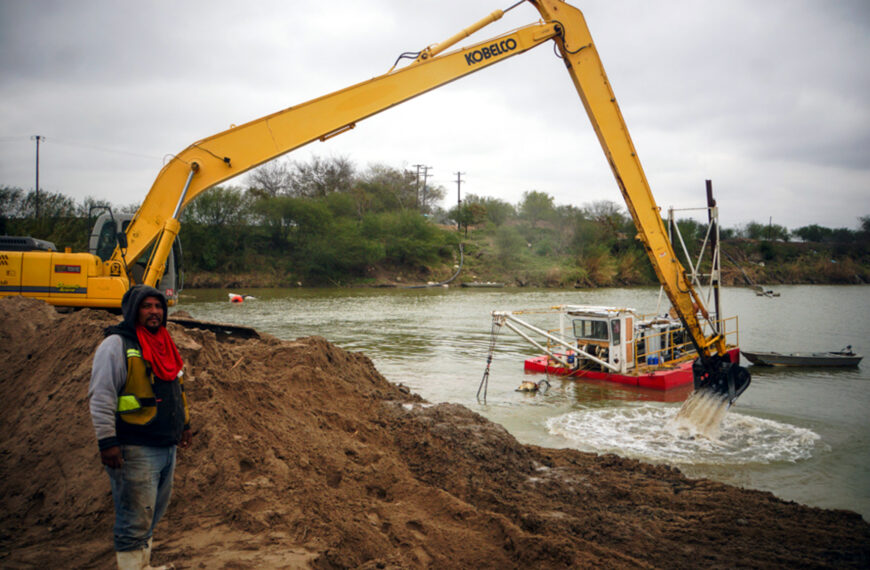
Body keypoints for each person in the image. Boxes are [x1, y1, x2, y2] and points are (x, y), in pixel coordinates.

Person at [88, 285, 192, 570]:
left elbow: (177, 388)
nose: (154, 312)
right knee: (134, 518)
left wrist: (185, 425)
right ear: (134, 311)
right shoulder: (117, 345)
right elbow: (102, 396)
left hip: (165, 444)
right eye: (147, 306)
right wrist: (107, 442)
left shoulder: (165, 344)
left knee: (151, 514)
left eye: (158, 307)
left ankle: (142, 566)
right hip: (135, 446)